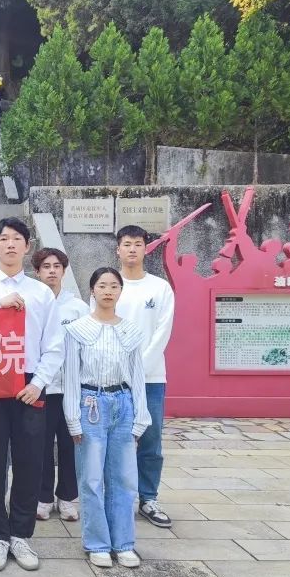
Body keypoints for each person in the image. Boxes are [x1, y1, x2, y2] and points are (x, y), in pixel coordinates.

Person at [0, 217, 63, 572]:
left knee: (29, 460)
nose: (9, 244)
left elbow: (54, 344)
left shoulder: (41, 292)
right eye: (2, 239)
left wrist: (38, 383)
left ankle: (20, 534)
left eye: (17, 238)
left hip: (29, 383)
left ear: (27, 246)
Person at [64, 267, 151, 568]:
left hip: (123, 404)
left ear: (120, 292)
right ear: (92, 290)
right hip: (91, 404)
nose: (108, 291)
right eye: (102, 285)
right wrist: (72, 418)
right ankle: (97, 543)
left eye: (114, 286)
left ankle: (124, 543)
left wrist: (141, 417)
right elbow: (71, 377)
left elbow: (138, 376)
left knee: (124, 478)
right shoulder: (77, 330)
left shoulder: (130, 331)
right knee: (91, 479)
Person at [112, 225, 175, 529]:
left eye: (138, 244)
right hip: (112, 378)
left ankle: (148, 497)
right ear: (118, 249)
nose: (132, 249)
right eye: (127, 244)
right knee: (116, 440)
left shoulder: (160, 288)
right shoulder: (107, 283)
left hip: (151, 378)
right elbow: (98, 327)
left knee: (150, 439)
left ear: (146, 249)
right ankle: (118, 497)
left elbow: (163, 332)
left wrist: (139, 368)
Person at [33, 248, 88, 522]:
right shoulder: (32, 304)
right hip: (42, 387)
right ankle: (43, 498)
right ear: (37, 272)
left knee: (69, 444)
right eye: (46, 266)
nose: (52, 271)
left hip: (70, 389)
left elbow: (88, 348)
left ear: (64, 271)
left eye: (57, 266)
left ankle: (67, 497)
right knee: (41, 445)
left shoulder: (77, 307)